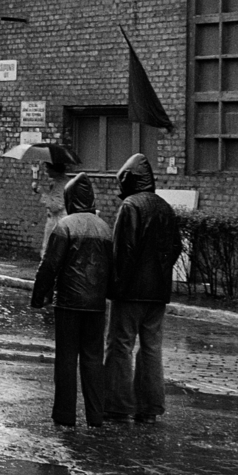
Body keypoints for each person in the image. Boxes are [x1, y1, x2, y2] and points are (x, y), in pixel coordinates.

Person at [29, 172, 111, 429]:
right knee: (93, 359)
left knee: (66, 359)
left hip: (68, 302)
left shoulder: (64, 226)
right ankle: (95, 415)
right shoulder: (104, 228)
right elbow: (112, 267)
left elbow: (50, 265)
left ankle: (65, 415)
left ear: (70, 198)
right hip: (96, 304)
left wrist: (39, 296)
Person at [106, 152, 180, 423]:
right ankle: (149, 408)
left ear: (128, 180)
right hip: (157, 293)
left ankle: (117, 405)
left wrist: (116, 285)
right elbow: (176, 248)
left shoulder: (130, 207)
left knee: (120, 345)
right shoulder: (164, 207)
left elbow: (122, 251)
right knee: (151, 348)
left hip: (130, 291)